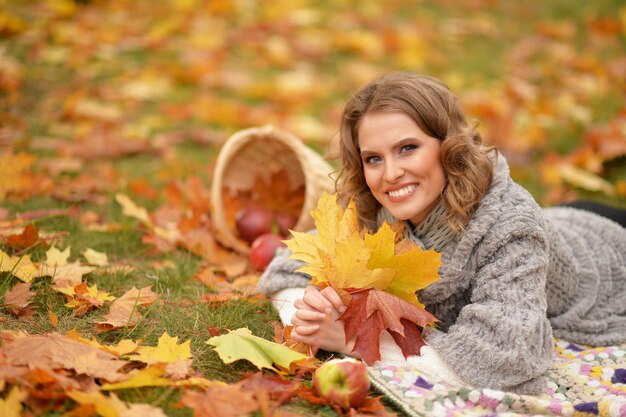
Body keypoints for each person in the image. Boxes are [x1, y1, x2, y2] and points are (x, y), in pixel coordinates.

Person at [256, 72, 626, 394]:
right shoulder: (372, 206)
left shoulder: (511, 230)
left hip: (607, 252)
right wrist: (308, 315)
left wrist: (355, 341)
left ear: (447, 147)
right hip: (560, 218)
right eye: (374, 158)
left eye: (408, 149)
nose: (390, 174)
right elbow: (285, 269)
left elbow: (505, 357)